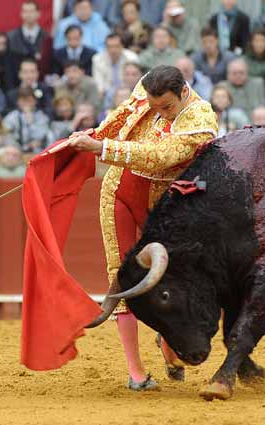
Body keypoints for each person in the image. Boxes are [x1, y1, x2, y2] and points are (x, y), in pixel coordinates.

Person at [67, 65, 218, 390]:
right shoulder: (146, 91)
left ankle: (168, 343)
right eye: (154, 107)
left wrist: (103, 150)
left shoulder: (201, 120)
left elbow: (160, 156)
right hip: (121, 191)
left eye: (166, 108)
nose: (159, 114)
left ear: (183, 93)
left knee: (176, 277)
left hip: (167, 203)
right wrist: (93, 136)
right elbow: (123, 116)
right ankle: (136, 373)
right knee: (122, 276)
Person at [6, 0, 51, 88]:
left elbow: (49, 66)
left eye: (32, 11)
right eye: (25, 11)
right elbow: (9, 67)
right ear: (21, 14)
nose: (29, 14)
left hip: (40, 87)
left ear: (38, 14)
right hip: (17, 87)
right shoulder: (11, 37)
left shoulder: (47, 38)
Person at [3, 87, 52, 153]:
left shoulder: (41, 116)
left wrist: (30, 123)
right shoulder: (12, 116)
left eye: (29, 101)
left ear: (35, 101)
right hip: (17, 151)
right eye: (23, 101)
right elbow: (5, 133)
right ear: (18, 102)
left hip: (37, 151)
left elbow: (41, 136)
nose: (27, 104)